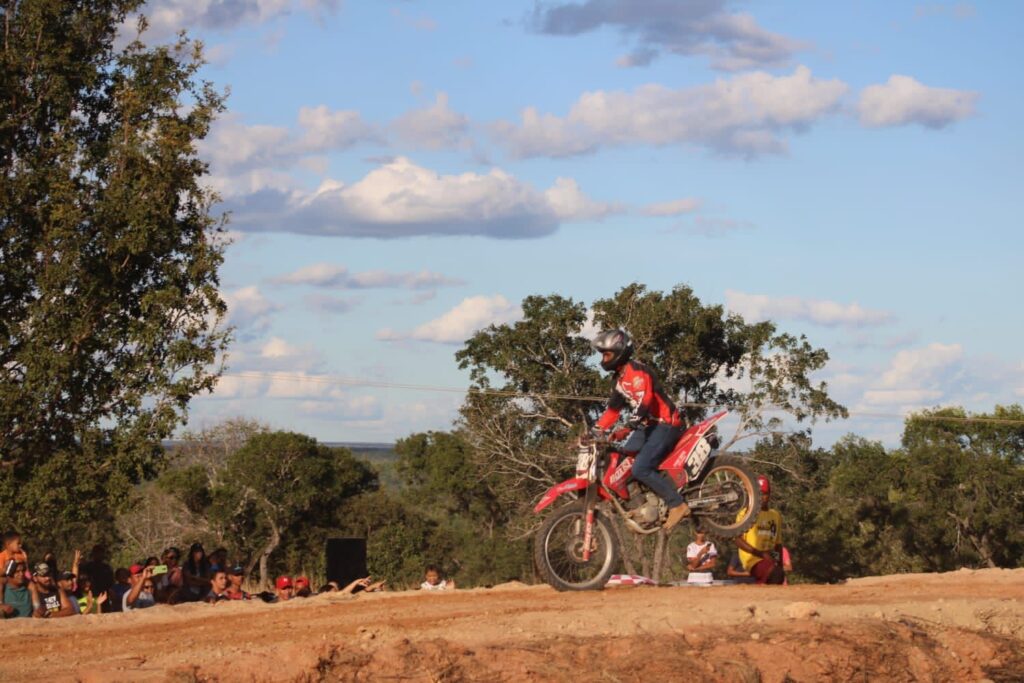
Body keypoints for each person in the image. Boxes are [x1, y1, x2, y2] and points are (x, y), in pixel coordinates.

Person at [591, 329, 690, 530]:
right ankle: (648, 501)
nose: (604, 358)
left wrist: (627, 428)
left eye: (607, 353)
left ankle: (677, 504)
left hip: (666, 423)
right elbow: (612, 411)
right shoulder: (620, 380)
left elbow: (645, 402)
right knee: (623, 460)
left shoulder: (638, 373)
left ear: (619, 352)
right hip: (649, 426)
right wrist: (593, 432)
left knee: (640, 468)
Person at [734, 475, 785, 585]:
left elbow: (778, 544)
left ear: (769, 495)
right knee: (775, 574)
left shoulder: (775, 515)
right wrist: (760, 554)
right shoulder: (746, 514)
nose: (762, 497)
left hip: (768, 557)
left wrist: (780, 565)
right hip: (752, 557)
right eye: (759, 494)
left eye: (765, 494)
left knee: (777, 575)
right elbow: (737, 540)